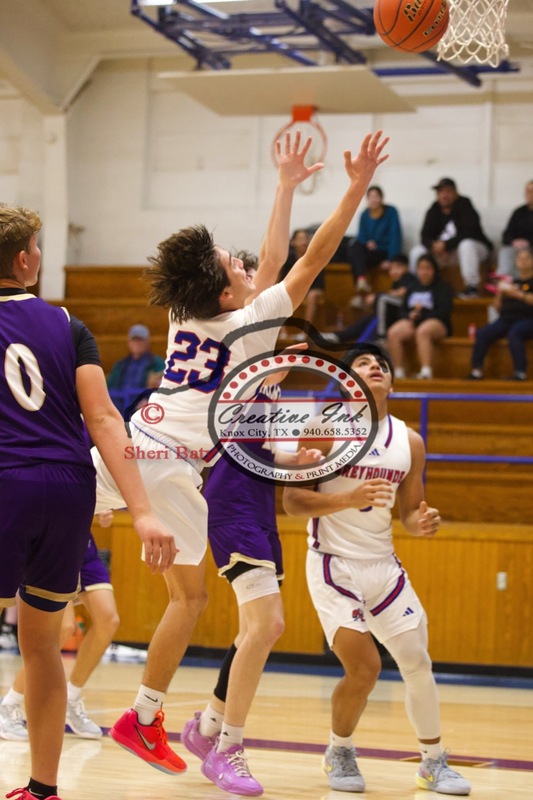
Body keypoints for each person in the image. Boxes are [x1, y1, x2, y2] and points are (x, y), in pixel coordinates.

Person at [89, 130, 389, 789]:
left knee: (177, 592)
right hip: (167, 467)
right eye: (240, 268)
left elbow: (275, 258)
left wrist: (283, 185)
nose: (253, 269)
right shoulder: (251, 327)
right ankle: (157, 719)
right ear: (230, 295)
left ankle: (148, 715)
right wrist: (347, 188)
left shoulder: (182, 310)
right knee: (192, 600)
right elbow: (309, 256)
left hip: (131, 448)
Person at [0, 204, 176, 800]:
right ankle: (42, 789)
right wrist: (143, 510)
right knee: (43, 643)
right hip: (69, 489)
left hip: (6, 481)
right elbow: (103, 418)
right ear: (25, 260)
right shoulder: (69, 325)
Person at [282, 341, 471, 797]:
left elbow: (408, 512)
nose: (374, 368)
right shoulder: (323, 428)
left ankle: (432, 761)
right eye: (363, 363)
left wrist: (421, 522)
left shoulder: (409, 441)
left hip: (383, 566)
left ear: (392, 381)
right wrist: (345, 498)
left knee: (417, 662)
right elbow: (292, 502)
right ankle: (340, 749)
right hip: (333, 565)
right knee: (364, 668)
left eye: (381, 364)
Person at [181, 325, 321, 796]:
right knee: (268, 625)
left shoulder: (276, 400)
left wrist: (298, 461)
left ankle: (205, 730)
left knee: (251, 631)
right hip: (231, 508)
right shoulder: (235, 377)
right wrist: (281, 353)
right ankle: (227, 746)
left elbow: (275, 458)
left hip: (259, 512)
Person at [0, 516, 119, 742]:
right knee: (63, 628)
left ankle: (71, 698)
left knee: (108, 619)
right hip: (54, 535)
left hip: (82, 539)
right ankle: (9, 705)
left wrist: (103, 506)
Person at [409, 177, 492, 298]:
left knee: (466, 244)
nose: (444, 195)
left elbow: (470, 232)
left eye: (447, 191)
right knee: (417, 251)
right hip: (443, 253)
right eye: (440, 192)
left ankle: (472, 287)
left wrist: (447, 246)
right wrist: (434, 247)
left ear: (456, 193)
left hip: (474, 250)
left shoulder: (465, 206)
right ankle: (417, 287)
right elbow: (424, 235)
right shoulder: (434, 209)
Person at [468, 245, 533, 381]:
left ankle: (520, 373)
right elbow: (497, 308)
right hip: (506, 319)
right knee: (483, 333)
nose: (523, 261)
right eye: (520, 258)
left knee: (515, 333)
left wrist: (517, 294)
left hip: (528, 319)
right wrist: (499, 292)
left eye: (527, 258)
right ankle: (476, 371)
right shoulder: (512, 282)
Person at [320, 254, 417, 345]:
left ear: (406, 267)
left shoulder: (409, 278)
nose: (394, 271)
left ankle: (381, 337)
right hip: (391, 315)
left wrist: (377, 296)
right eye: (391, 268)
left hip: (404, 313)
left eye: (398, 267)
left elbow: (402, 292)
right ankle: (338, 336)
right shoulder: (396, 282)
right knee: (368, 320)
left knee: (381, 299)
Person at [387, 253, 454, 380]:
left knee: (423, 331)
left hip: (437, 322)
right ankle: (398, 371)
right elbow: (402, 310)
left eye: (428, 268)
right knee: (393, 332)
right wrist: (409, 315)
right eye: (421, 269)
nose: (424, 272)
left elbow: (445, 311)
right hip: (414, 321)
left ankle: (426, 371)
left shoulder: (443, 287)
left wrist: (423, 317)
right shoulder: (412, 287)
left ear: (434, 270)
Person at [347, 185, 403, 303]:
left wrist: (391, 259)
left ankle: (360, 292)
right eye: (371, 197)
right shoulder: (364, 214)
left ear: (381, 198)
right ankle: (361, 280)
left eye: (376, 196)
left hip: (383, 251)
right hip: (369, 251)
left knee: (357, 259)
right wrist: (367, 242)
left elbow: (395, 236)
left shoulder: (391, 211)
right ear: (367, 199)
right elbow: (361, 235)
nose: (374, 199)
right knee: (353, 247)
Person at [106, 323, 166, 414]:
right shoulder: (120, 365)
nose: (137, 344)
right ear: (129, 343)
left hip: (145, 411)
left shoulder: (157, 363)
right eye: (134, 340)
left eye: (141, 340)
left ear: (147, 342)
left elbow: (164, 389)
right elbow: (109, 388)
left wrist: (150, 401)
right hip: (119, 411)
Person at [279, 229, 325, 339]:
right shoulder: (288, 259)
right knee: (279, 295)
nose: (303, 242)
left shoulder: (315, 257)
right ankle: (283, 332)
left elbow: (319, 283)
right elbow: (283, 281)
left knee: (312, 295)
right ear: (293, 242)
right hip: (295, 289)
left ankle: (305, 333)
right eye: (299, 239)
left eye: (305, 239)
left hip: (315, 289)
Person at [497, 180, 533, 276]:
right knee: (506, 251)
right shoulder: (519, 212)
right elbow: (507, 234)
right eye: (527, 191)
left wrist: (528, 242)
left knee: (525, 256)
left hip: (531, 247)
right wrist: (513, 241)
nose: (529, 194)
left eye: (532, 191)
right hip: (517, 247)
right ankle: (505, 280)